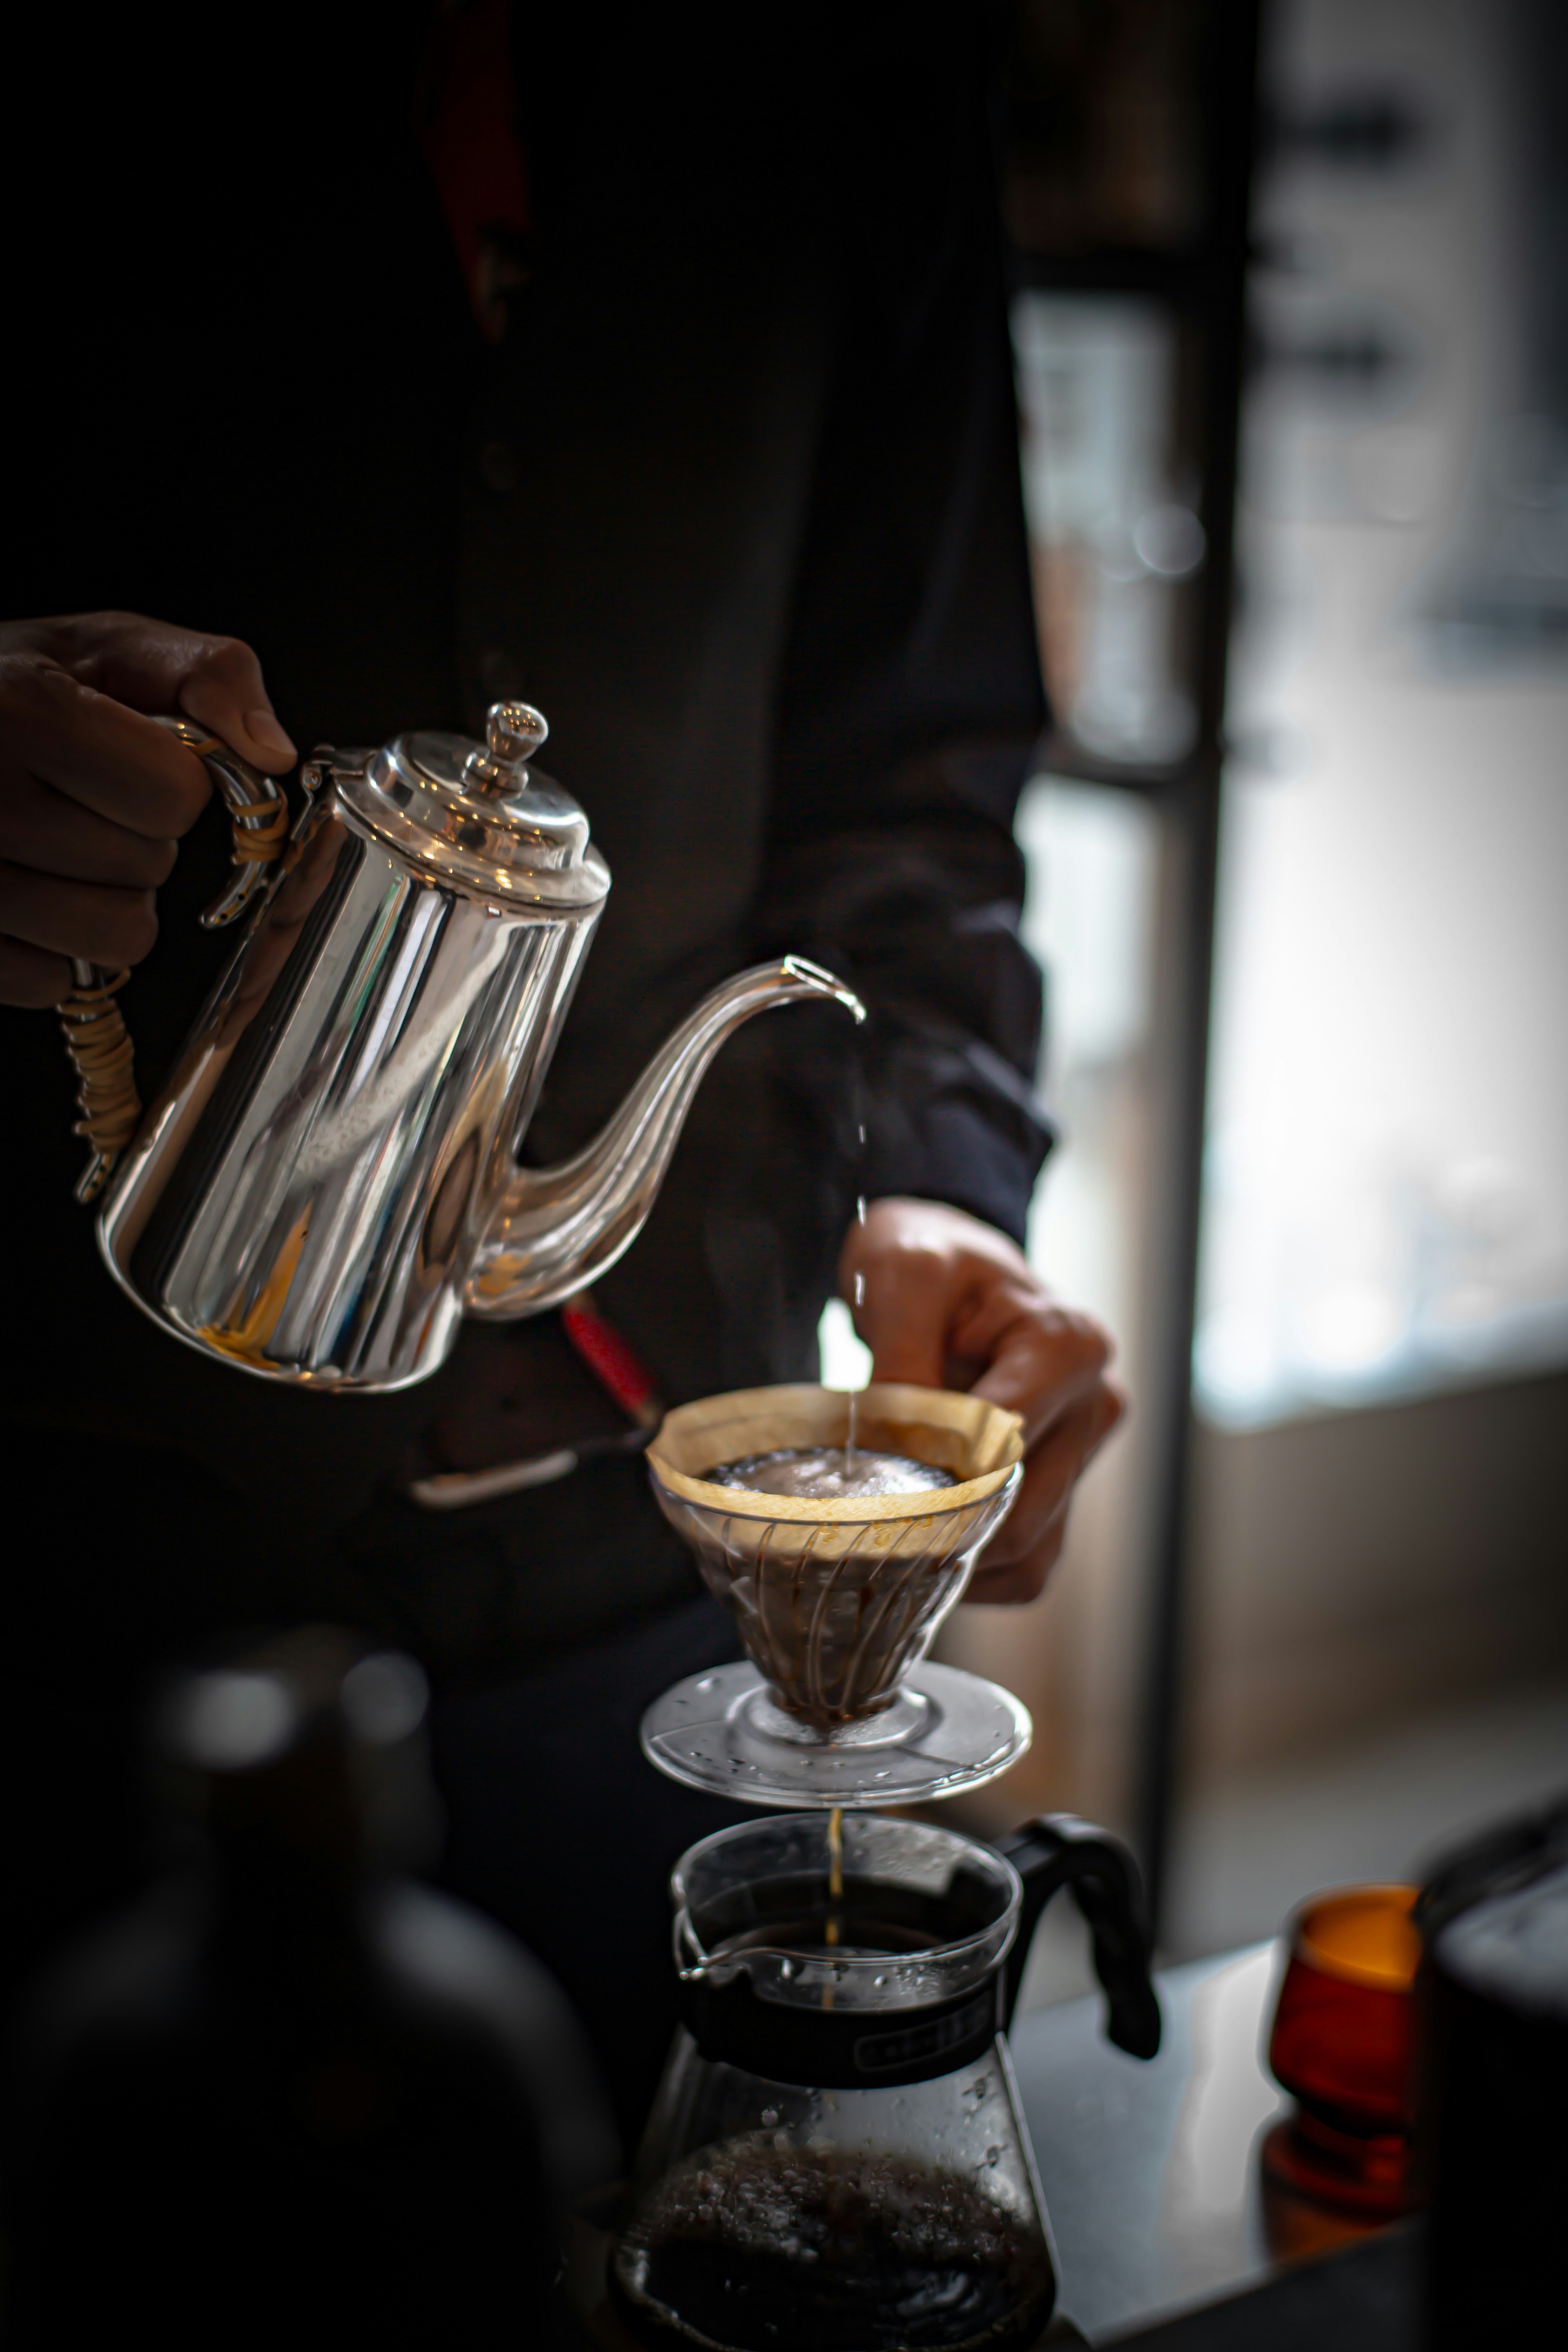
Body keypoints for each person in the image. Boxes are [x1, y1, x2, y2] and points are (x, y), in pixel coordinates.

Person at [0, 2, 1122, 2134]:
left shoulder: (865, 53)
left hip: (654, 1559)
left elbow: (913, 776)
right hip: (63, 1567)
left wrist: (944, 1185)